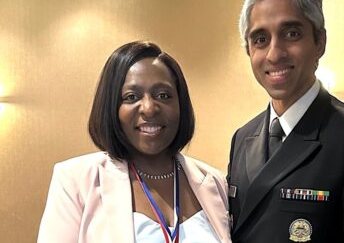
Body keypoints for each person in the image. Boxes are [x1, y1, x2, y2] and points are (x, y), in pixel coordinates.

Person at [227, 0, 344, 242]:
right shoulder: (242, 137)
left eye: (291, 34)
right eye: (260, 39)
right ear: (249, 51)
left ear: (319, 42)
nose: (274, 54)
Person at [38, 41, 231, 243]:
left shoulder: (214, 181)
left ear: (180, 104)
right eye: (131, 97)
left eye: (163, 95)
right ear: (112, 107)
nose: (149, 108)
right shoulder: (75, 181)